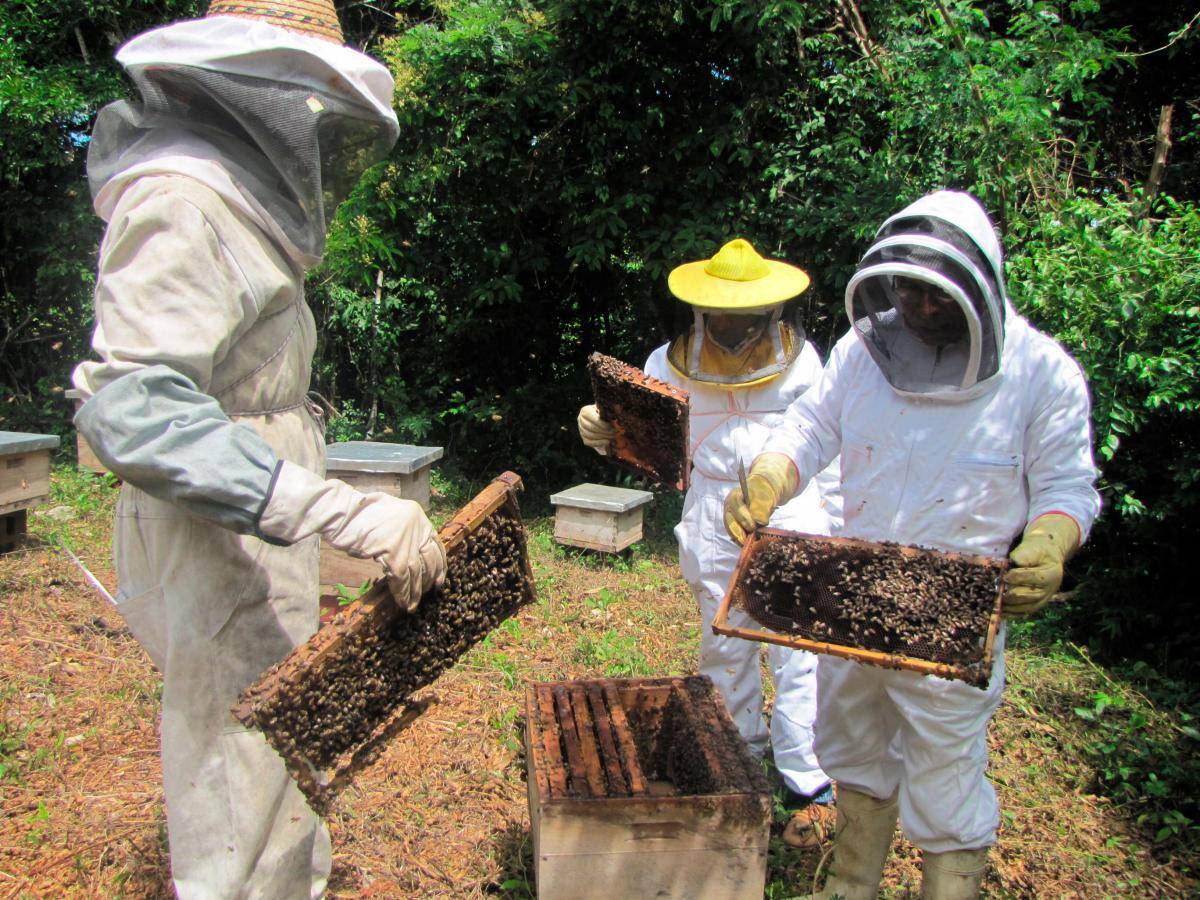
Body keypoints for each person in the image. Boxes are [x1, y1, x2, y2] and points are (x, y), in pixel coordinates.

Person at [70, 2, 446, 896]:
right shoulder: (182, 197)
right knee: (241, 747)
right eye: (301, 94)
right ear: (253, 86)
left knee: (279, 729)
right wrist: (339, 506)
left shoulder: (224, 191)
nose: (313, 127)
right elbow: (134, 408)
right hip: (218, 521)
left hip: (249, 504)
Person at [724, 191, 1100, 898]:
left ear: (979, 286)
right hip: (854, 597)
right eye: (907, 290)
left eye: (937, 296)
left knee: (944, 766)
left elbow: (1068, 485)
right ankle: (853, 881)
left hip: (953, 618)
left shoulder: (1042, 374)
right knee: (852, 746)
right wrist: (769, 478)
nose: (920, 310)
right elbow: (808, 427)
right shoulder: (864, 353)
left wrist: (1050, 541)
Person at [578, 238, 841, 848]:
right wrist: (602, 430)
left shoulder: (805, 363)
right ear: (698, 312)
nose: (731, 328)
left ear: (773, 314)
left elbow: (827, 447)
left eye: (745, 318)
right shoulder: (666, 363)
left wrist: (831, 518)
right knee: (724, 642)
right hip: (710, 509)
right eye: (720, 316)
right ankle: (739, 757)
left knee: (799, 651)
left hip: (792, 510)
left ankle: (807, 779)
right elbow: (640, 436)